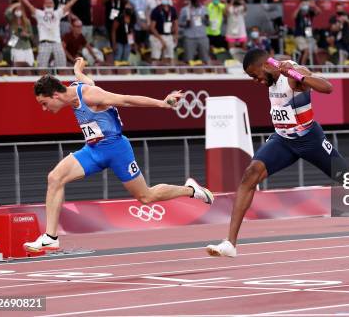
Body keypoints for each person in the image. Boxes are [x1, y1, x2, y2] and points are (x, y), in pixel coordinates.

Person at [206, 49, 349, 257]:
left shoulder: (292, 74)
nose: (255, 81)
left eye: (255, 75)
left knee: (348, 178)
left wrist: (297, 75)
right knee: (250, 174)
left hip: (309, 139)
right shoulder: (271, 75)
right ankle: (230, 243)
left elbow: (328, 88)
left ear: (266, 66)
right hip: (283, 139)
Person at [24, 59, 214, 252]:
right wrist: (77, 70)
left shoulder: (91, 95)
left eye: (44, 103)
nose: (44, 109)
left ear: (55, 95)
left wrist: (163, 103)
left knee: (146, 197)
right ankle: (51, 237)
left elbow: (126, 99)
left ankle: (191, 190)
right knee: (55, 178)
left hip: (116, 149)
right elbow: (85, 79)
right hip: (93, 151)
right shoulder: (75, 90)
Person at [20, 0, 87, 71]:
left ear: (54, 5)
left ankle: (61, 83)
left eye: (50, 3)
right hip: (44, 43)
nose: (49, 4)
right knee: (42, 69)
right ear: (44, 5)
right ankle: (42, 84)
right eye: (47, 3)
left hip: (57, 43)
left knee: (62, 68)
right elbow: (29, 6)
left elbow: (70, 4)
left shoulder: (57, 13)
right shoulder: (40, 14)